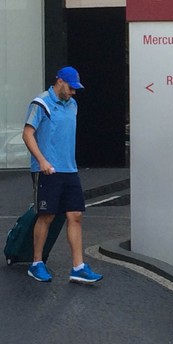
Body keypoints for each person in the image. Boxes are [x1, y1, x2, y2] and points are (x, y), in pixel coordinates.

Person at [22, 66, 103, 284]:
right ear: (59, 81)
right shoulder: (40, 103)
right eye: (71, 87)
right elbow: (27, 134)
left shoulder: (73, 105)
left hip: (70, 170)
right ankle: (36, 263)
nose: (74, 92)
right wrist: (42, 161)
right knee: (46, 216)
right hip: (47, 170)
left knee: (75, 216)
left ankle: (78, 267)